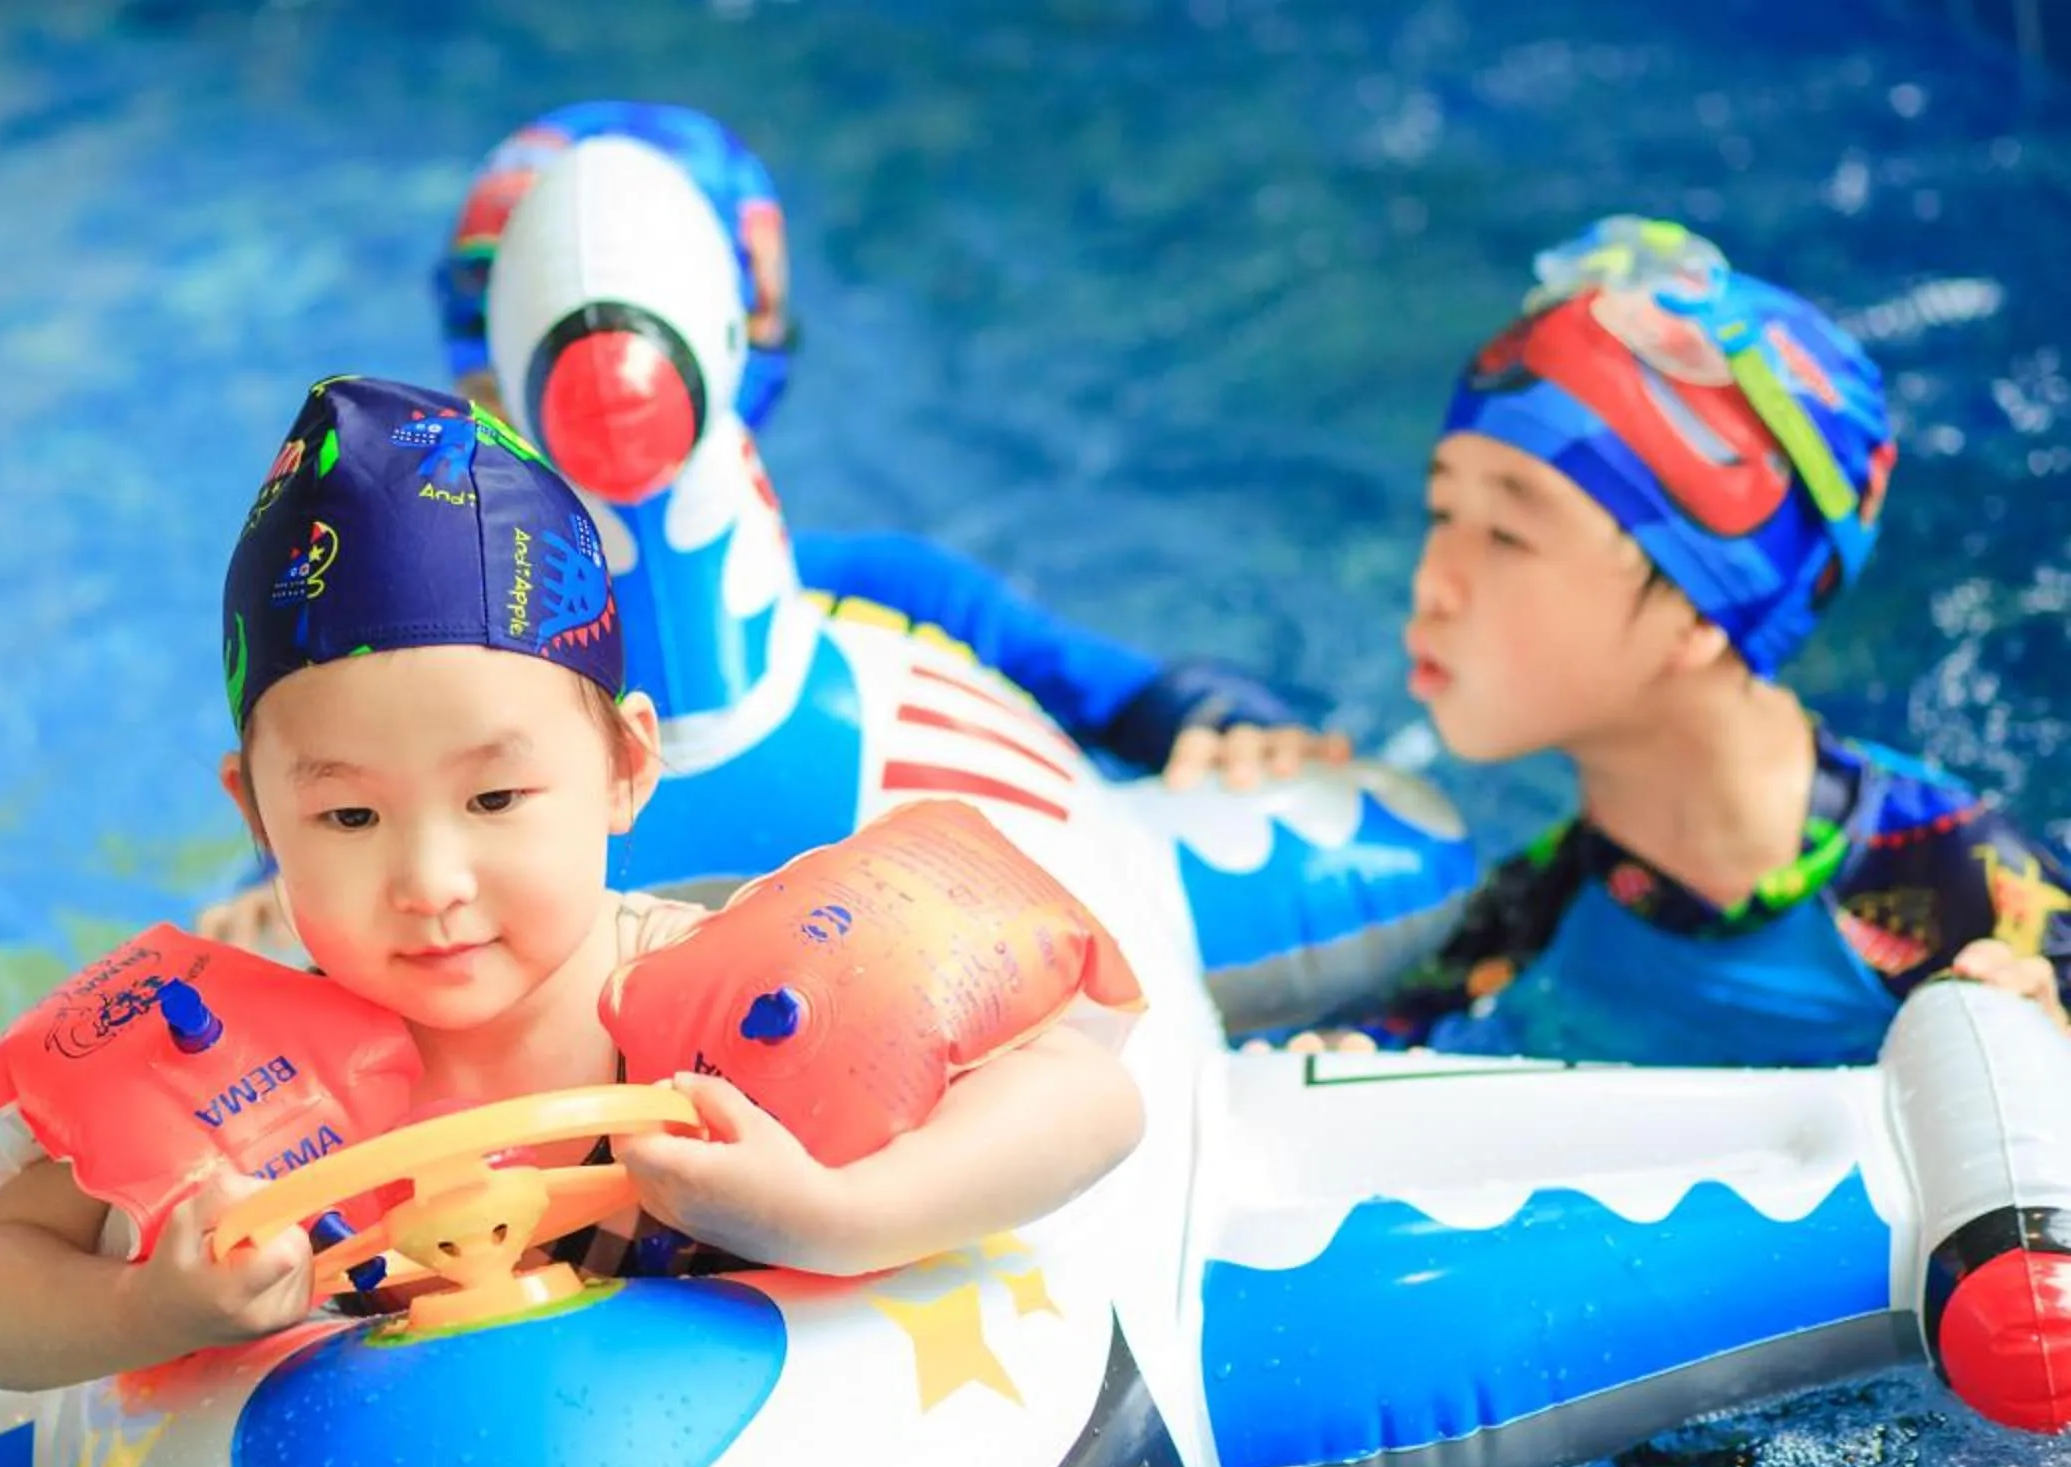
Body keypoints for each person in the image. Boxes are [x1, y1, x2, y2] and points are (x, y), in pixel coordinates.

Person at [0, 377, 1148, 1391]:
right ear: (255, 816)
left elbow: (1090, 1097)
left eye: (496, 800)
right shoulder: (248, 1087)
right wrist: (149, 1304)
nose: (431, 882)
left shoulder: (722, 997)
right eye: (347, 815)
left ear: (624, 767)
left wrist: (839, 1212)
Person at [194, 103, 1341, 953]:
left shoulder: (896, 595)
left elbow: (1133, 698)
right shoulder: (438, 667)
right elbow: (363, 809)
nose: (607, 401)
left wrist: (1229, 731)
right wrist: (267, 895)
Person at [1345, 217, 2070, 1063]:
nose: (1433, 580)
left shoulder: (1973, 894)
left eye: (1507, 534)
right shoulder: (1523, 920)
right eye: (1441, 514)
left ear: (1699, 614)